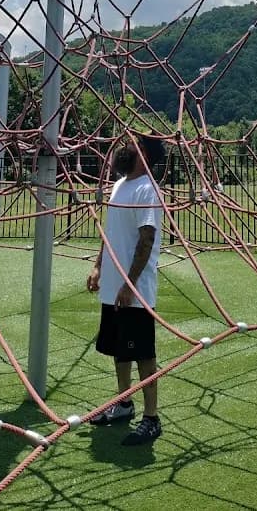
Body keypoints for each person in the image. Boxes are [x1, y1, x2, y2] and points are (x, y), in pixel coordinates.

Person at [86, 134, 165, 445]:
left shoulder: (147, 189)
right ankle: (124, 404)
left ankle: (151, 418)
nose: (125, 146)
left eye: (133, 143)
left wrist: (129, 285)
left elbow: (146, 240)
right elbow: (111, 234)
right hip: (113, 288)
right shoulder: (120, 185)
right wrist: (98, 267)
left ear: (142, 152)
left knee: (143, 354)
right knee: (119, 349)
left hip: (136, 291)